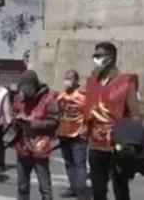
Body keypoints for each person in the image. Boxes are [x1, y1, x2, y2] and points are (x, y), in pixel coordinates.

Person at [84, 42, 140, 200]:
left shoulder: (125, 82)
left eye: (99, 56)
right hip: (95, 143)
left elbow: (135, 113)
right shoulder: (92, 82)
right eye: (94, 56)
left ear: (111, 57)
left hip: (118, 144)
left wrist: (132, 142)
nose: (96, 59)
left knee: (120, 188)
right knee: (98, 190)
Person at [12, 70, 59, 200]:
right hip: (22, 147)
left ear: (34, 85)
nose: (25, 92)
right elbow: (13, 114)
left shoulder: (48, 99)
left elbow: (54, 122)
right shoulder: (19, 99)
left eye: (27, 88)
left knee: (45, 187)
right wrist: (17, 120)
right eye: (22, 88)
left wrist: (32, 123)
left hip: (40, 147)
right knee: (22, 186)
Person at [56, 69, 87, 198]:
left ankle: (80, 190)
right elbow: (59, 112)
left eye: (70, 78)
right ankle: (72, 187)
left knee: (79, 163)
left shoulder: (83, 95)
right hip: (63, 133)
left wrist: (85, 129)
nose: (67, 81)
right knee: (68, 162)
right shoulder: (61, 95)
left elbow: (89, 114)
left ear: (76, 80)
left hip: (78, 134)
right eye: (66, 78)